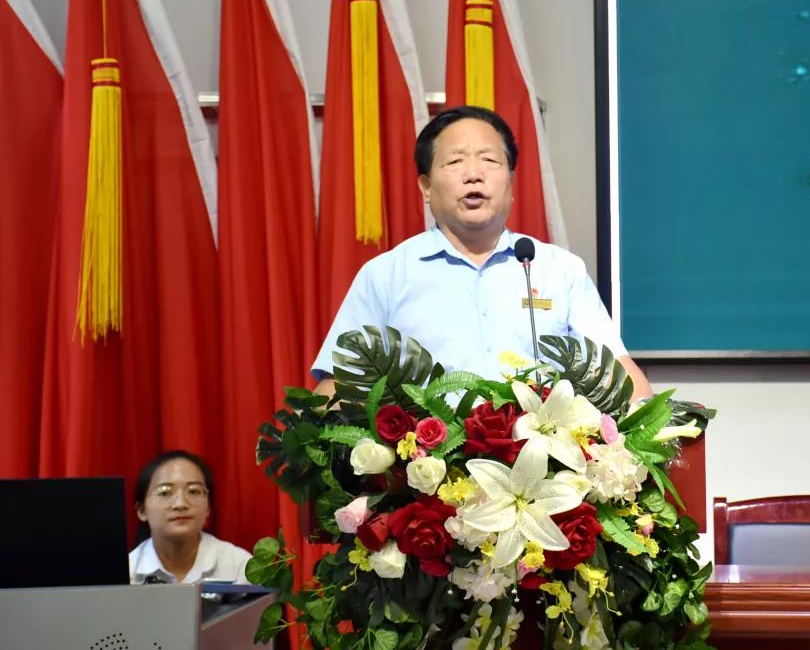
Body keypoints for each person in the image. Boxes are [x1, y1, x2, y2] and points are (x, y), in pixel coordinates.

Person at [313, 105, 651, 400]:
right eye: (455, 161)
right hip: (425, 454)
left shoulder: (559, 270)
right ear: (426, 187)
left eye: (489, 160)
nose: (474, 174)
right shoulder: (385, 275)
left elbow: (617, 375)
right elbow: (338, 385)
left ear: (511, 181)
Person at [128, 450, 252, 584]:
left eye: (193, 491)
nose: (180, 504)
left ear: (208, 507)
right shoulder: (126, 573)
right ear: (142, 510)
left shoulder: (240, 566)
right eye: (165, 493)